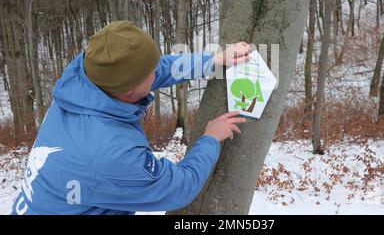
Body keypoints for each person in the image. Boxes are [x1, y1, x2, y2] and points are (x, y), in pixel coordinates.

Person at [12, 20, 250, 215]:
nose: (158, 73)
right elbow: (179, 189)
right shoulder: (111, 153)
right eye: (151, 73)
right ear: (129, 89)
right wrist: (210, 138)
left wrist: (214, 61)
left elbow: (158, 69)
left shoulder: (87, 79)